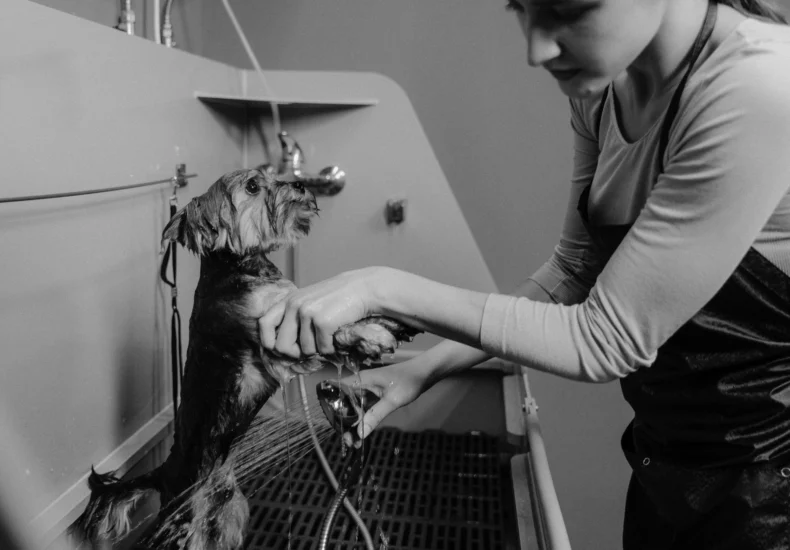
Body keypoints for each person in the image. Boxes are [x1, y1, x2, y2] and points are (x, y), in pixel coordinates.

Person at [258, 0, 790, 547]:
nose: (536, 50)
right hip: (666, 468)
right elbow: (573, 270)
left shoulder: (758, 86)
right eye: (521, 9)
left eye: (567, 8)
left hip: (768, 497)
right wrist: (423, 370)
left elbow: (606, 339)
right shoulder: (604, 97)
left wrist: (379, 287)